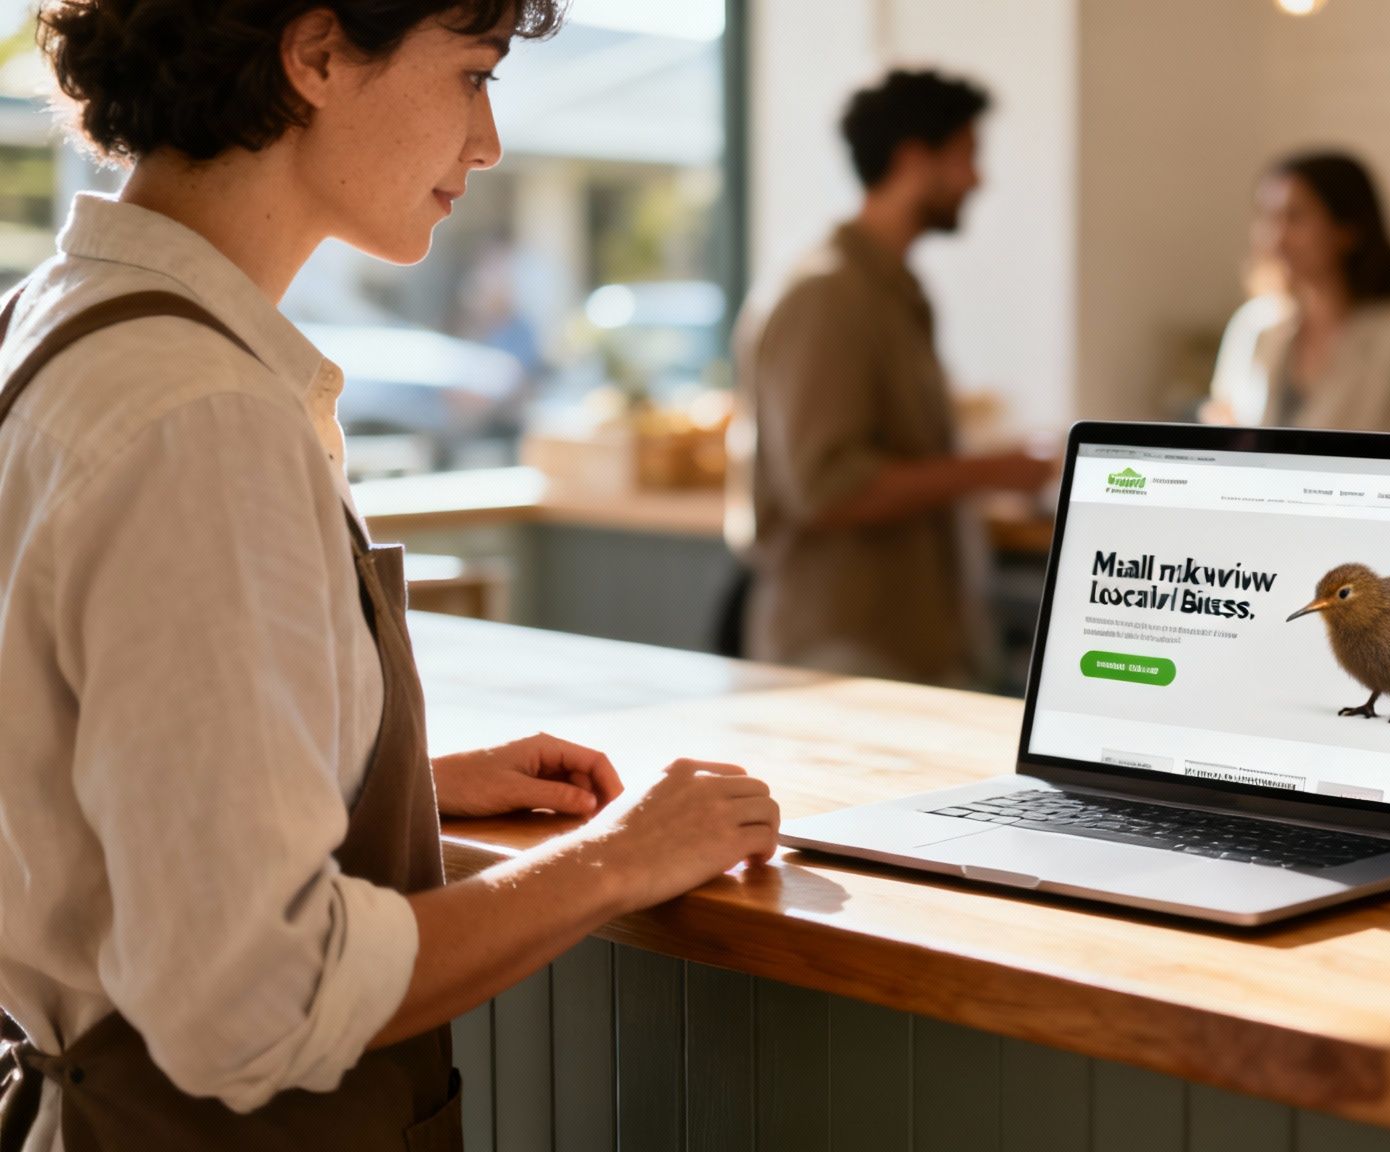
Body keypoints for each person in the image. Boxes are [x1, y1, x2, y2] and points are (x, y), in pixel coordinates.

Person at [0, 4, 779, 1149]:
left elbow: (80, 763)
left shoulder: (54, 325)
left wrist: (373, 768)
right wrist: (616, 859)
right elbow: (256, 1000)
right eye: (472, 74)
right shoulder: (200, 413)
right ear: (315, 54)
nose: (489, 139)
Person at [728, 69, 1053, 687]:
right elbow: (827, 488)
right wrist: (993, 471)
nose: (978, 179)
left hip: (908, 645)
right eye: (965, 156)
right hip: (844, 653)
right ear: (913, 159)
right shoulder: (827, 295)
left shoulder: (893, 292)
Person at [1206, 151, 1390, 433]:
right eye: (1268, 218)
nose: (1275, 238)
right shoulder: (1254, 327)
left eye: (1295, 218)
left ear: (1348, 230)